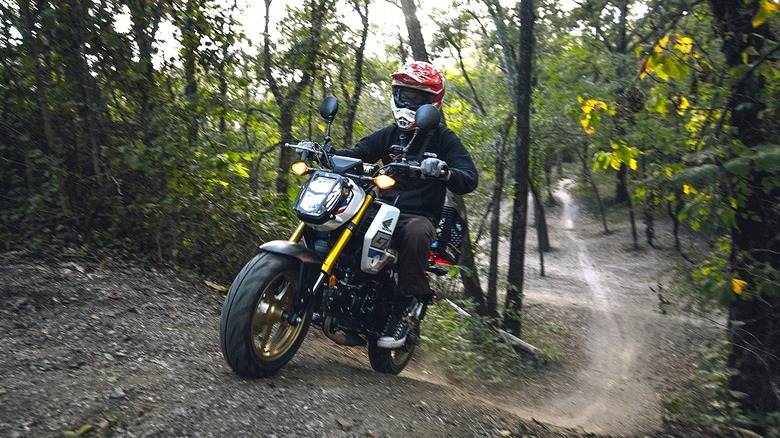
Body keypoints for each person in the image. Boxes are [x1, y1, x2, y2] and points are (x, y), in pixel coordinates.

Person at [337, 61, 478, 348]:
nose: (408, 102)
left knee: (416, 234)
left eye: (416, 97)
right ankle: (340, 299)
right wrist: (326, 152)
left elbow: (469, 177)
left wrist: (445, 171)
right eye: (403, 94)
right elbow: (357, 154)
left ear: (432, 101)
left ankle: (404, 308)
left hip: (417, 215)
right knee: (343, 221)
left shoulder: (444, 139)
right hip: (379, 208)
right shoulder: (389, 134)